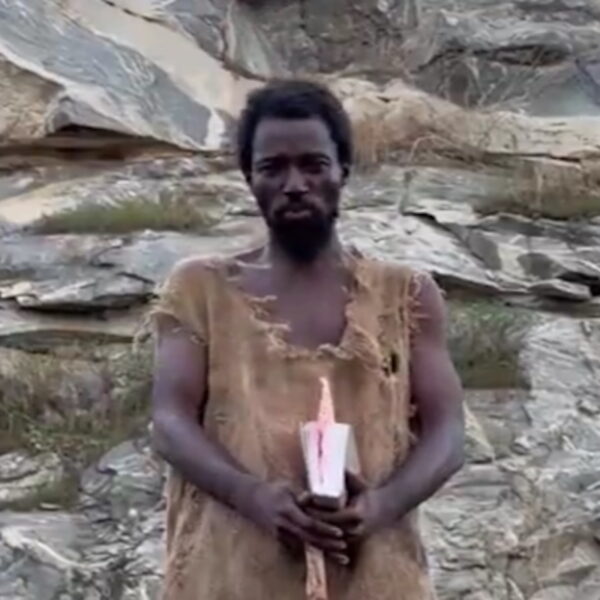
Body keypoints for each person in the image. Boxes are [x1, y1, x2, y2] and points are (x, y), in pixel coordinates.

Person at [149, 79, 465, 600]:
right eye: (273, 167)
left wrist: (381, 506)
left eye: (313, 165)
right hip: (231, 576)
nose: (295, 183)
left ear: (343, 170)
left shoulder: (405, 294)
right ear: (249, 176)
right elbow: (169, 422)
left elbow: (448, 432)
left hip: (374, 575)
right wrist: (253, 497)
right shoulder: (200, 289)